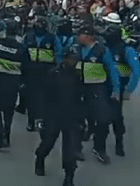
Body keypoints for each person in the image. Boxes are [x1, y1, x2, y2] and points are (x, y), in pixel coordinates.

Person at [34, 50, 84, 186]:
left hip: (72, 116)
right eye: (71, 59)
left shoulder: (79, 75)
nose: (73, 62)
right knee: (48, 142)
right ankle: (40, 159)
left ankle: (69, 177)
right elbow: (42, 96)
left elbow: (82, 98)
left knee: (70, 149)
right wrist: (39, 117)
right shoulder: (53, 73)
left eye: (76, 59)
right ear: (66, 58)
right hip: (53, 115)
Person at [76, 25, 120, 164]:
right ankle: (76, 148)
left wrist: (116, 90)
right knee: (77, 121)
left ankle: (99, 148)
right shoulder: (76, 49)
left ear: (88, 37)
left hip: (97, 89)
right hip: (79, 88)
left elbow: (112, 71)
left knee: (102, 121)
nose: (78, 37)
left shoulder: (102, 51)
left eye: (80, 35)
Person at [0, 19, 31, 152]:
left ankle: (2, 136)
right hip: (13, 84)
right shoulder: (22, 49)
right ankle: (7, 134)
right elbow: (26, 68)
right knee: (8, 110)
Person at [102, 25, 140, 157]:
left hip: (118, 89)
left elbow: (136, 72)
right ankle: (98, 143)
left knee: (116, 117)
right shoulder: (104, 48)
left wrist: (129, 90)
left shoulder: (126, 50)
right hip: (101, 85)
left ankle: (119, 142)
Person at [22, 17, 62, 131]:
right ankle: (31, 122)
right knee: (31, 97)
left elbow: (58, 53)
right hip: (31, 70)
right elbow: (22, 51)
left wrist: (56, 68)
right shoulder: (28, 36)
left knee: (46, 98)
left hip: (47, 71)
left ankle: (43, 121)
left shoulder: (53, 38)